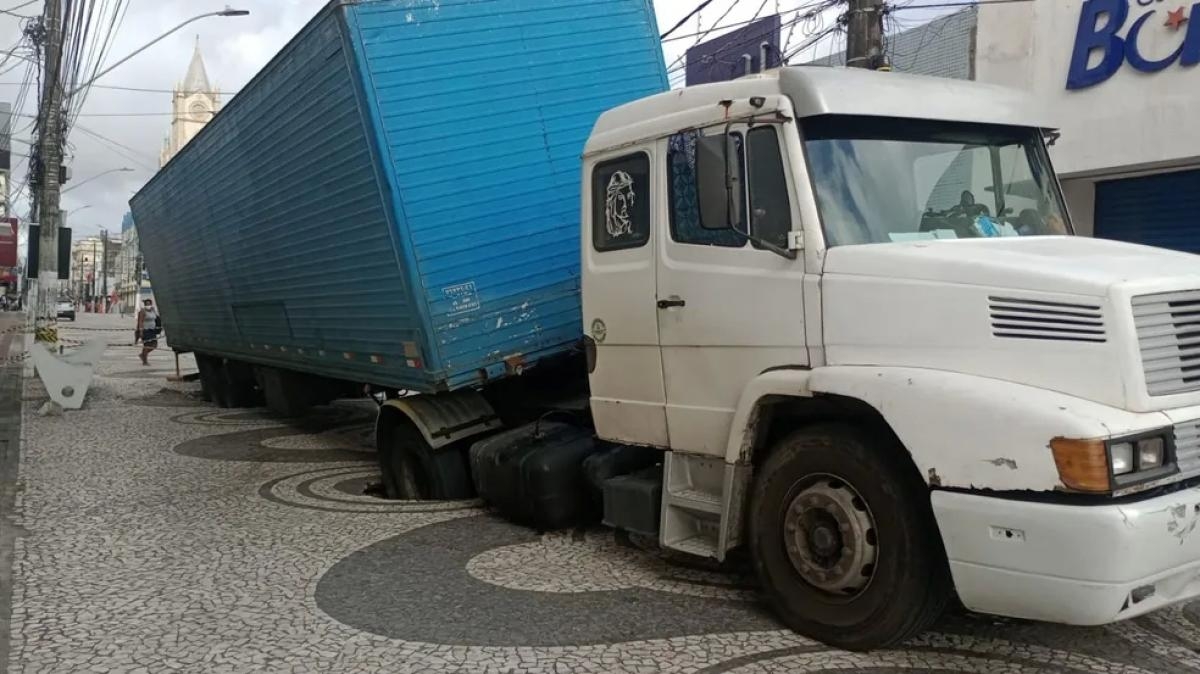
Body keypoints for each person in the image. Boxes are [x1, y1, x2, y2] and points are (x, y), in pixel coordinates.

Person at [135, 298, 160, 365]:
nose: (148, 305)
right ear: (145, 304)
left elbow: (157, 317)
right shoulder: (143, 311)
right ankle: (145, 361)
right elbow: (140, 321)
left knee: (154, 345)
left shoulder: (153, 310)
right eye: (147, 304)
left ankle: (142, 355)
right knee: (147, 345)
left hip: (152, 330)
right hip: (146, 330)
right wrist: (140, 331)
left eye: (149, 304)